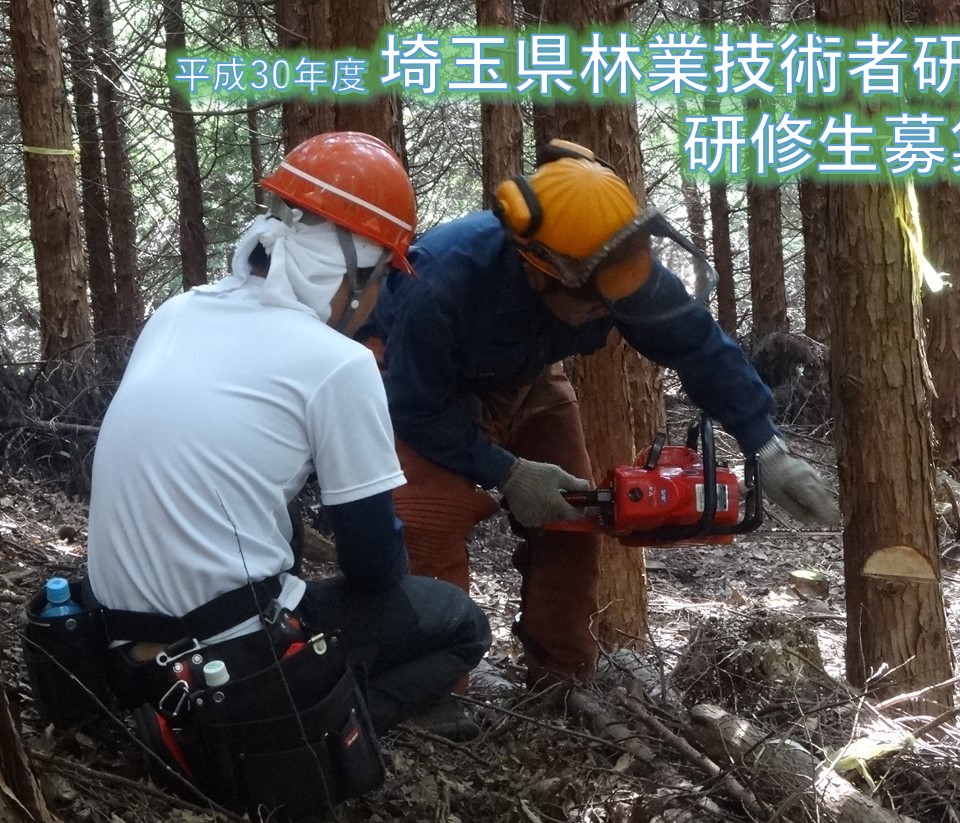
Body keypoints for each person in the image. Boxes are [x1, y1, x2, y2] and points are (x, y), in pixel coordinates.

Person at [85, 132, 491, 813]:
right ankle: (308, 725)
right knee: (458, 622)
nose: (381, 298)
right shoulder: (338, 364)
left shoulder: (176, 313)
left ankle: (188, 707)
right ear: (353, 270)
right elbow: (374, 569)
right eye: (384, 276)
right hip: (227, 665)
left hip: (116, 645)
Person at [361, 139, 838, 690]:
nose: (614, 310)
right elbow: (415, 405)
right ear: (541, 272)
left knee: (574, 516)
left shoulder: (617, 267)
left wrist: (766, 446)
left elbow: (698, 345)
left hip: (528, 374)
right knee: (428, 530)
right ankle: (435, 688)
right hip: (416, 386)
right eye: (596, 302)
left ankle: (562, 676)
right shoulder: (440, 284)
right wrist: (506, 472)